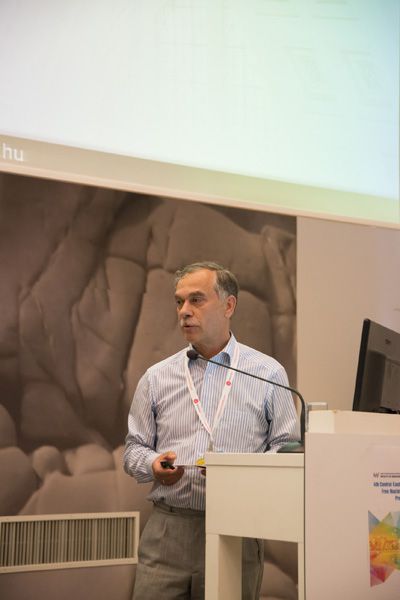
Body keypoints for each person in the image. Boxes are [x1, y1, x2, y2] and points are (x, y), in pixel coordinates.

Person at [123, 261, 299, 600]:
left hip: (237, 526)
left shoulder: (267, 373)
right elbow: (133, 449)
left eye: (196, 300)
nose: (184, 311)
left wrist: (239, 473)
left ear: (229, 306)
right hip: (168, 530)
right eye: (179, 302)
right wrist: (153, 465)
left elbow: (287, 448)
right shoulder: (157, 377)